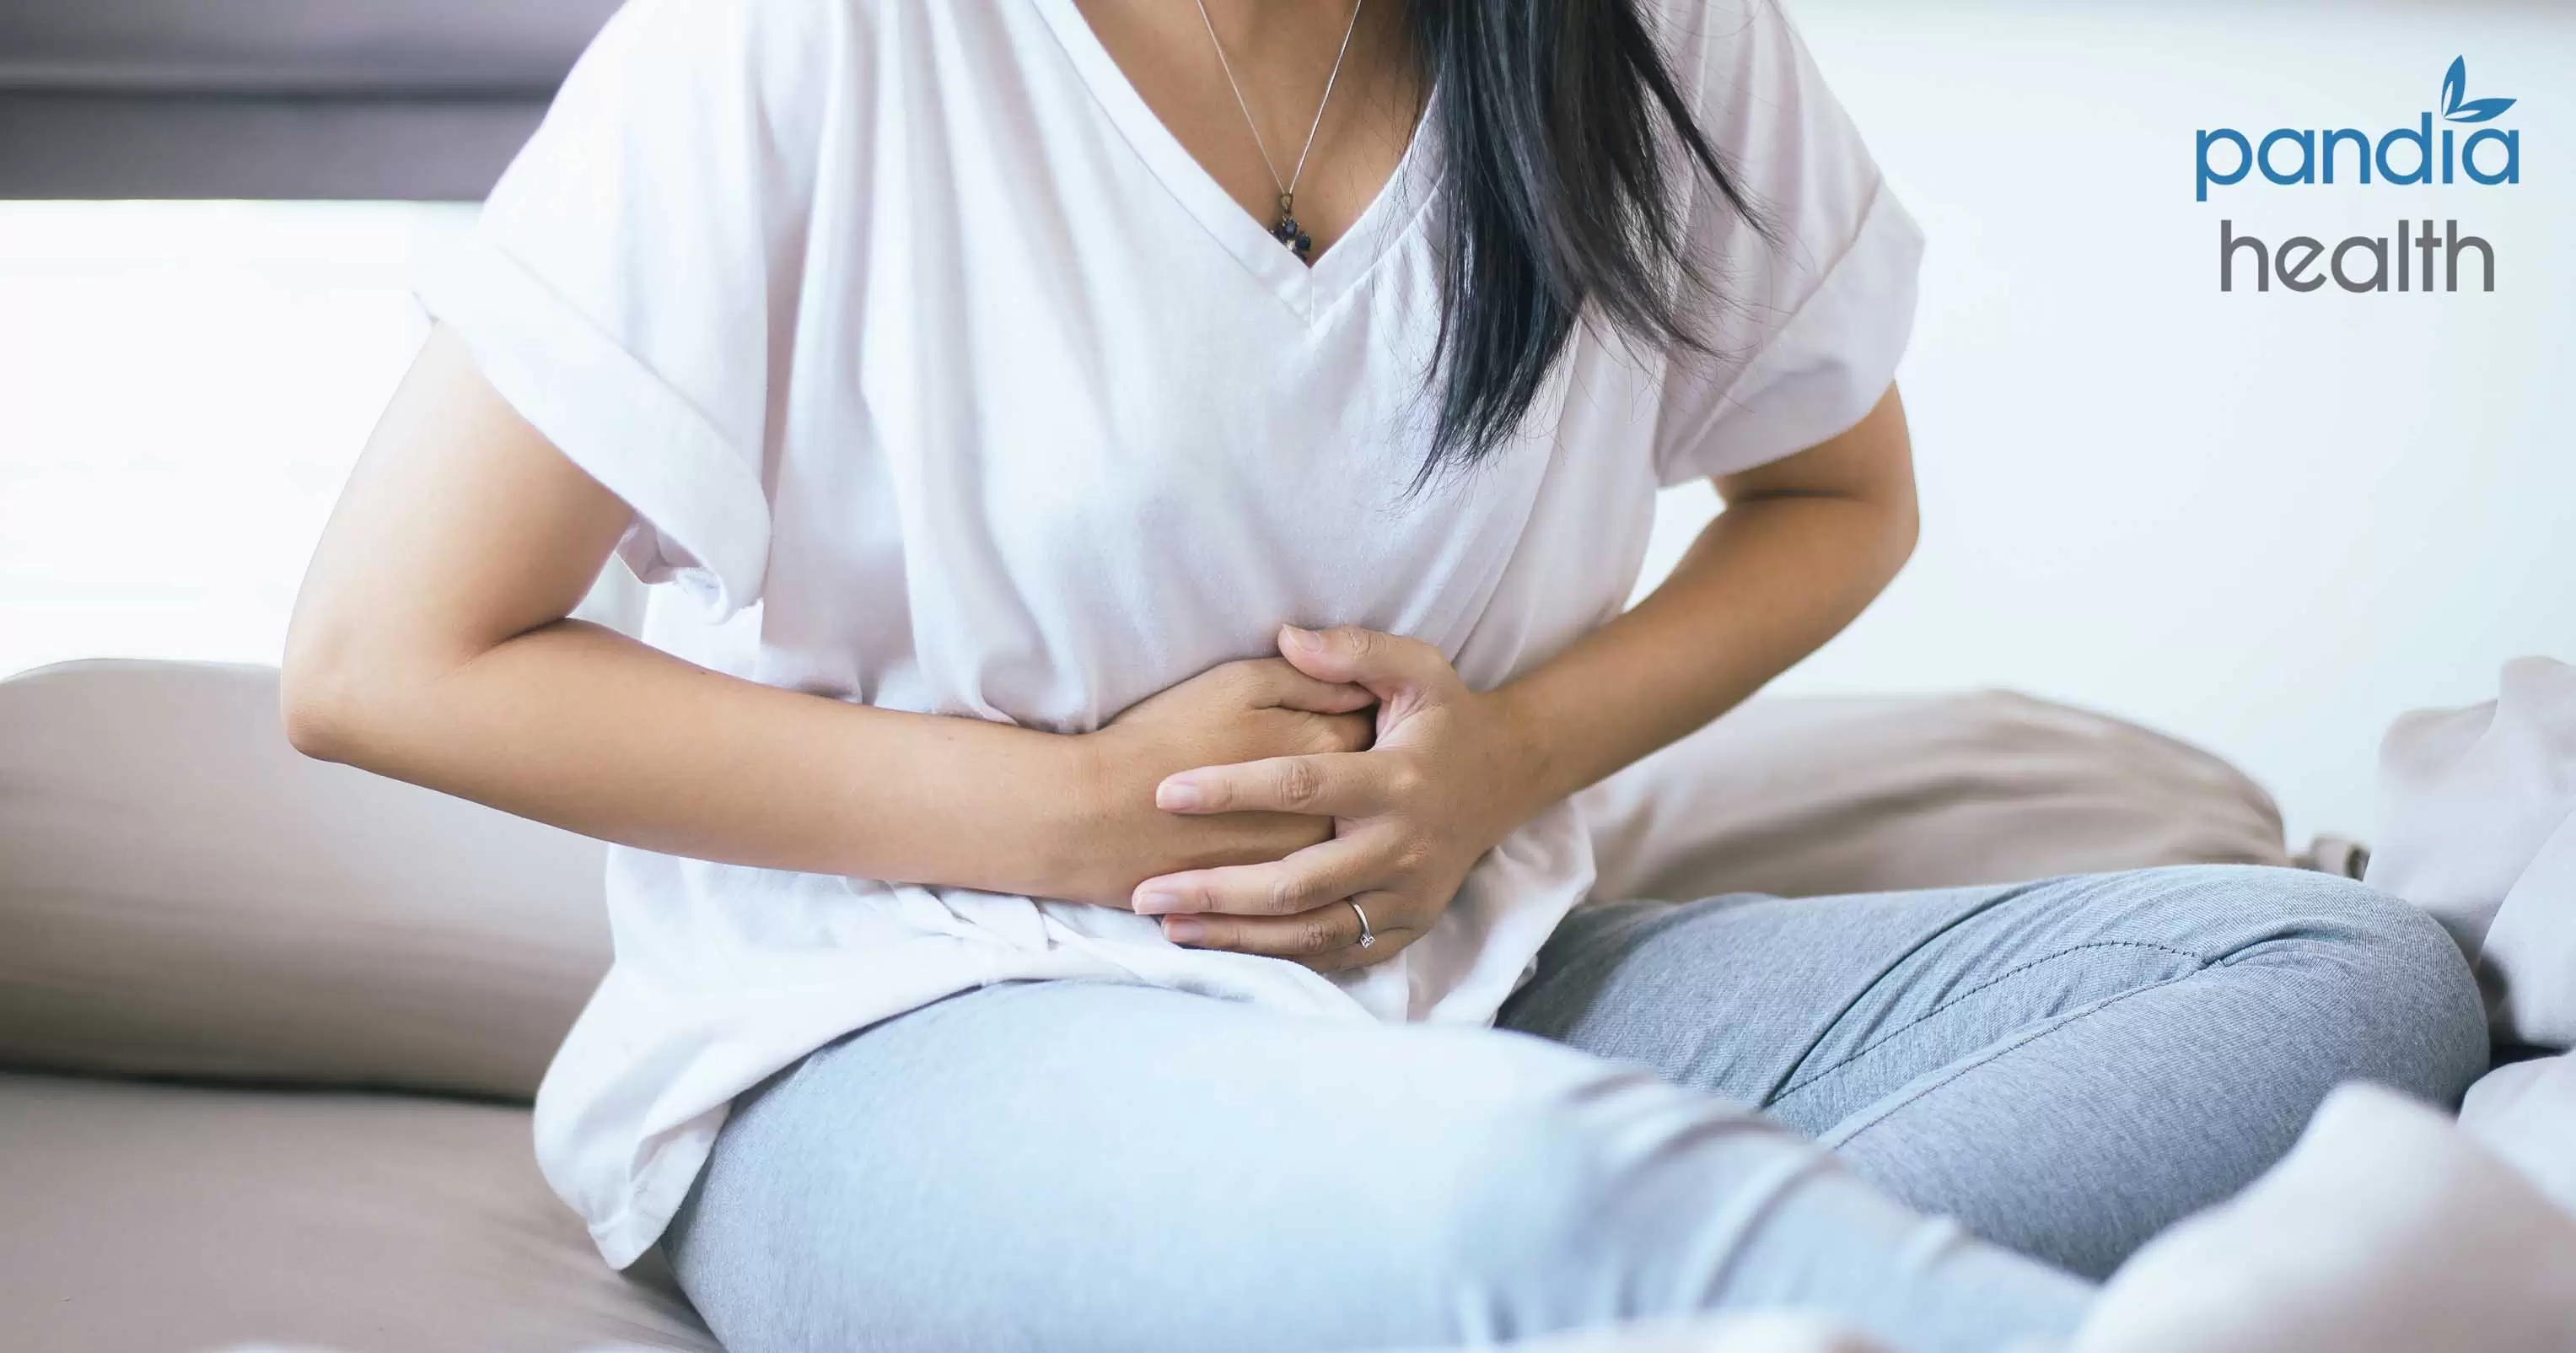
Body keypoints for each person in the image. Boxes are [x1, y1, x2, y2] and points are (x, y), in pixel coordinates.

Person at [278, 1, 2487, 1350]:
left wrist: (1501, 759)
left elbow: (1835, 495)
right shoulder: (812, 34)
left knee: (2336, 968)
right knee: (1517, 1188)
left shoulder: (1623, 32)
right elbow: (387, 656)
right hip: (894, 1031)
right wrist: (1068, 812)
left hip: (1470, 974)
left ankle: (1601, 1285)